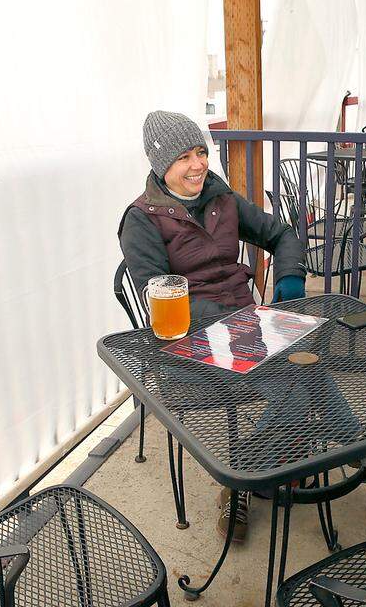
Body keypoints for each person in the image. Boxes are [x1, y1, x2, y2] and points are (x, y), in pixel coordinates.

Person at [119, 110, 307, 542]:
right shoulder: (141, 219)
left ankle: (247, 471)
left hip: (249, 326)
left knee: (306, 366)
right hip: (191, 343)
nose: (199, 164)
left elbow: (282, 235)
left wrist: (289, 281)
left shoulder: (222, 199)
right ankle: (337, 445)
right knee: (301, 377)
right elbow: (161, 296)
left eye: (201, 151)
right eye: (184, 156)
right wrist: (244, 326)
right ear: (161, 163)